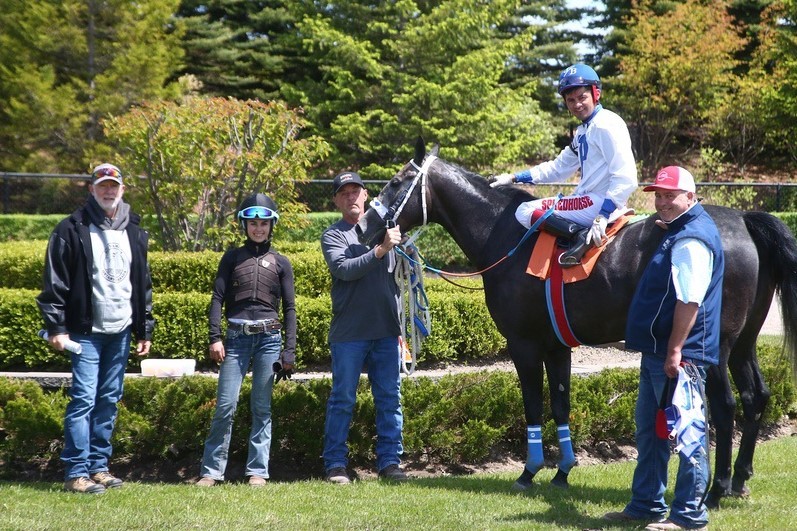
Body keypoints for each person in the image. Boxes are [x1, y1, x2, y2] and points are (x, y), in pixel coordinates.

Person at [604, 166, 724, 531]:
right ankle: (646, 504)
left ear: (691, 196)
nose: (662, 202)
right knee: (651, 430)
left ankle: (688, 516)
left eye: (670, 195)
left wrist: (675, 351)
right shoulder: (680, 230)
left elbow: (689, 300)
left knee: (688, 433)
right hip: (659, 352)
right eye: (658, 195)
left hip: (678, 356)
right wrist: (669, 225)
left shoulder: (691, 240)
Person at [36, 163, 154, 494]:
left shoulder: (134, 229)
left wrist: (144, 328)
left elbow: (141, 283)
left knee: (109, 399)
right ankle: (76, 472)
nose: (108, 190)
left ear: (123, 189)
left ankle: (99, 467)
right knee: (84, 399)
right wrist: (57, 326)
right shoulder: (71, 229)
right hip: (85, 332)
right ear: (91, 189)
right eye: (102, 185)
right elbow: (54, 282)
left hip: (121, 330)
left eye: (113, 185)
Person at [491, 63, 638, 266]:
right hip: (589, 201)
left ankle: (579, 237)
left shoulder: (606, 124)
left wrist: (602, 215)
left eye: (582, 97)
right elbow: (558, 168)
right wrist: (514, 177)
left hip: (598, 203)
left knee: (523, 211)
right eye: (571, 100)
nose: (577, 104)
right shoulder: (584, 130)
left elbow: (626, 176)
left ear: (596, 94)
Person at [196, 193, 297, 487]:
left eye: (264, 222)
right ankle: (211, 471)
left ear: (271, 225)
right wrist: (215, 338)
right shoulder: (231, 258)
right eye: (253, 222)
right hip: (235, 340)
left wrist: (288, 351)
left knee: (261, 407)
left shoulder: (281, 263)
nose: (258, 228)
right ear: (244, 224)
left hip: (269, 339)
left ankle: (258, 471)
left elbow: (290, 308)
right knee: (225, 406)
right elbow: (217, 298)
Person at [320, 171, 408, 484]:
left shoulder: (388, 230)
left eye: (356, 191)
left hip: (386, 331)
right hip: (349, 334)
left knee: (389, 399)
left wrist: (401, 249)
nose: (351, 197)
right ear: (335, 200)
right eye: (344, 193)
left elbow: (402, 274)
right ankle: (335, 465)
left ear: (366, 196)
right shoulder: (333, 236)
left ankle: (390, 463)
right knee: (343, 399)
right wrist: (382, 250)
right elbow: (344, 269)